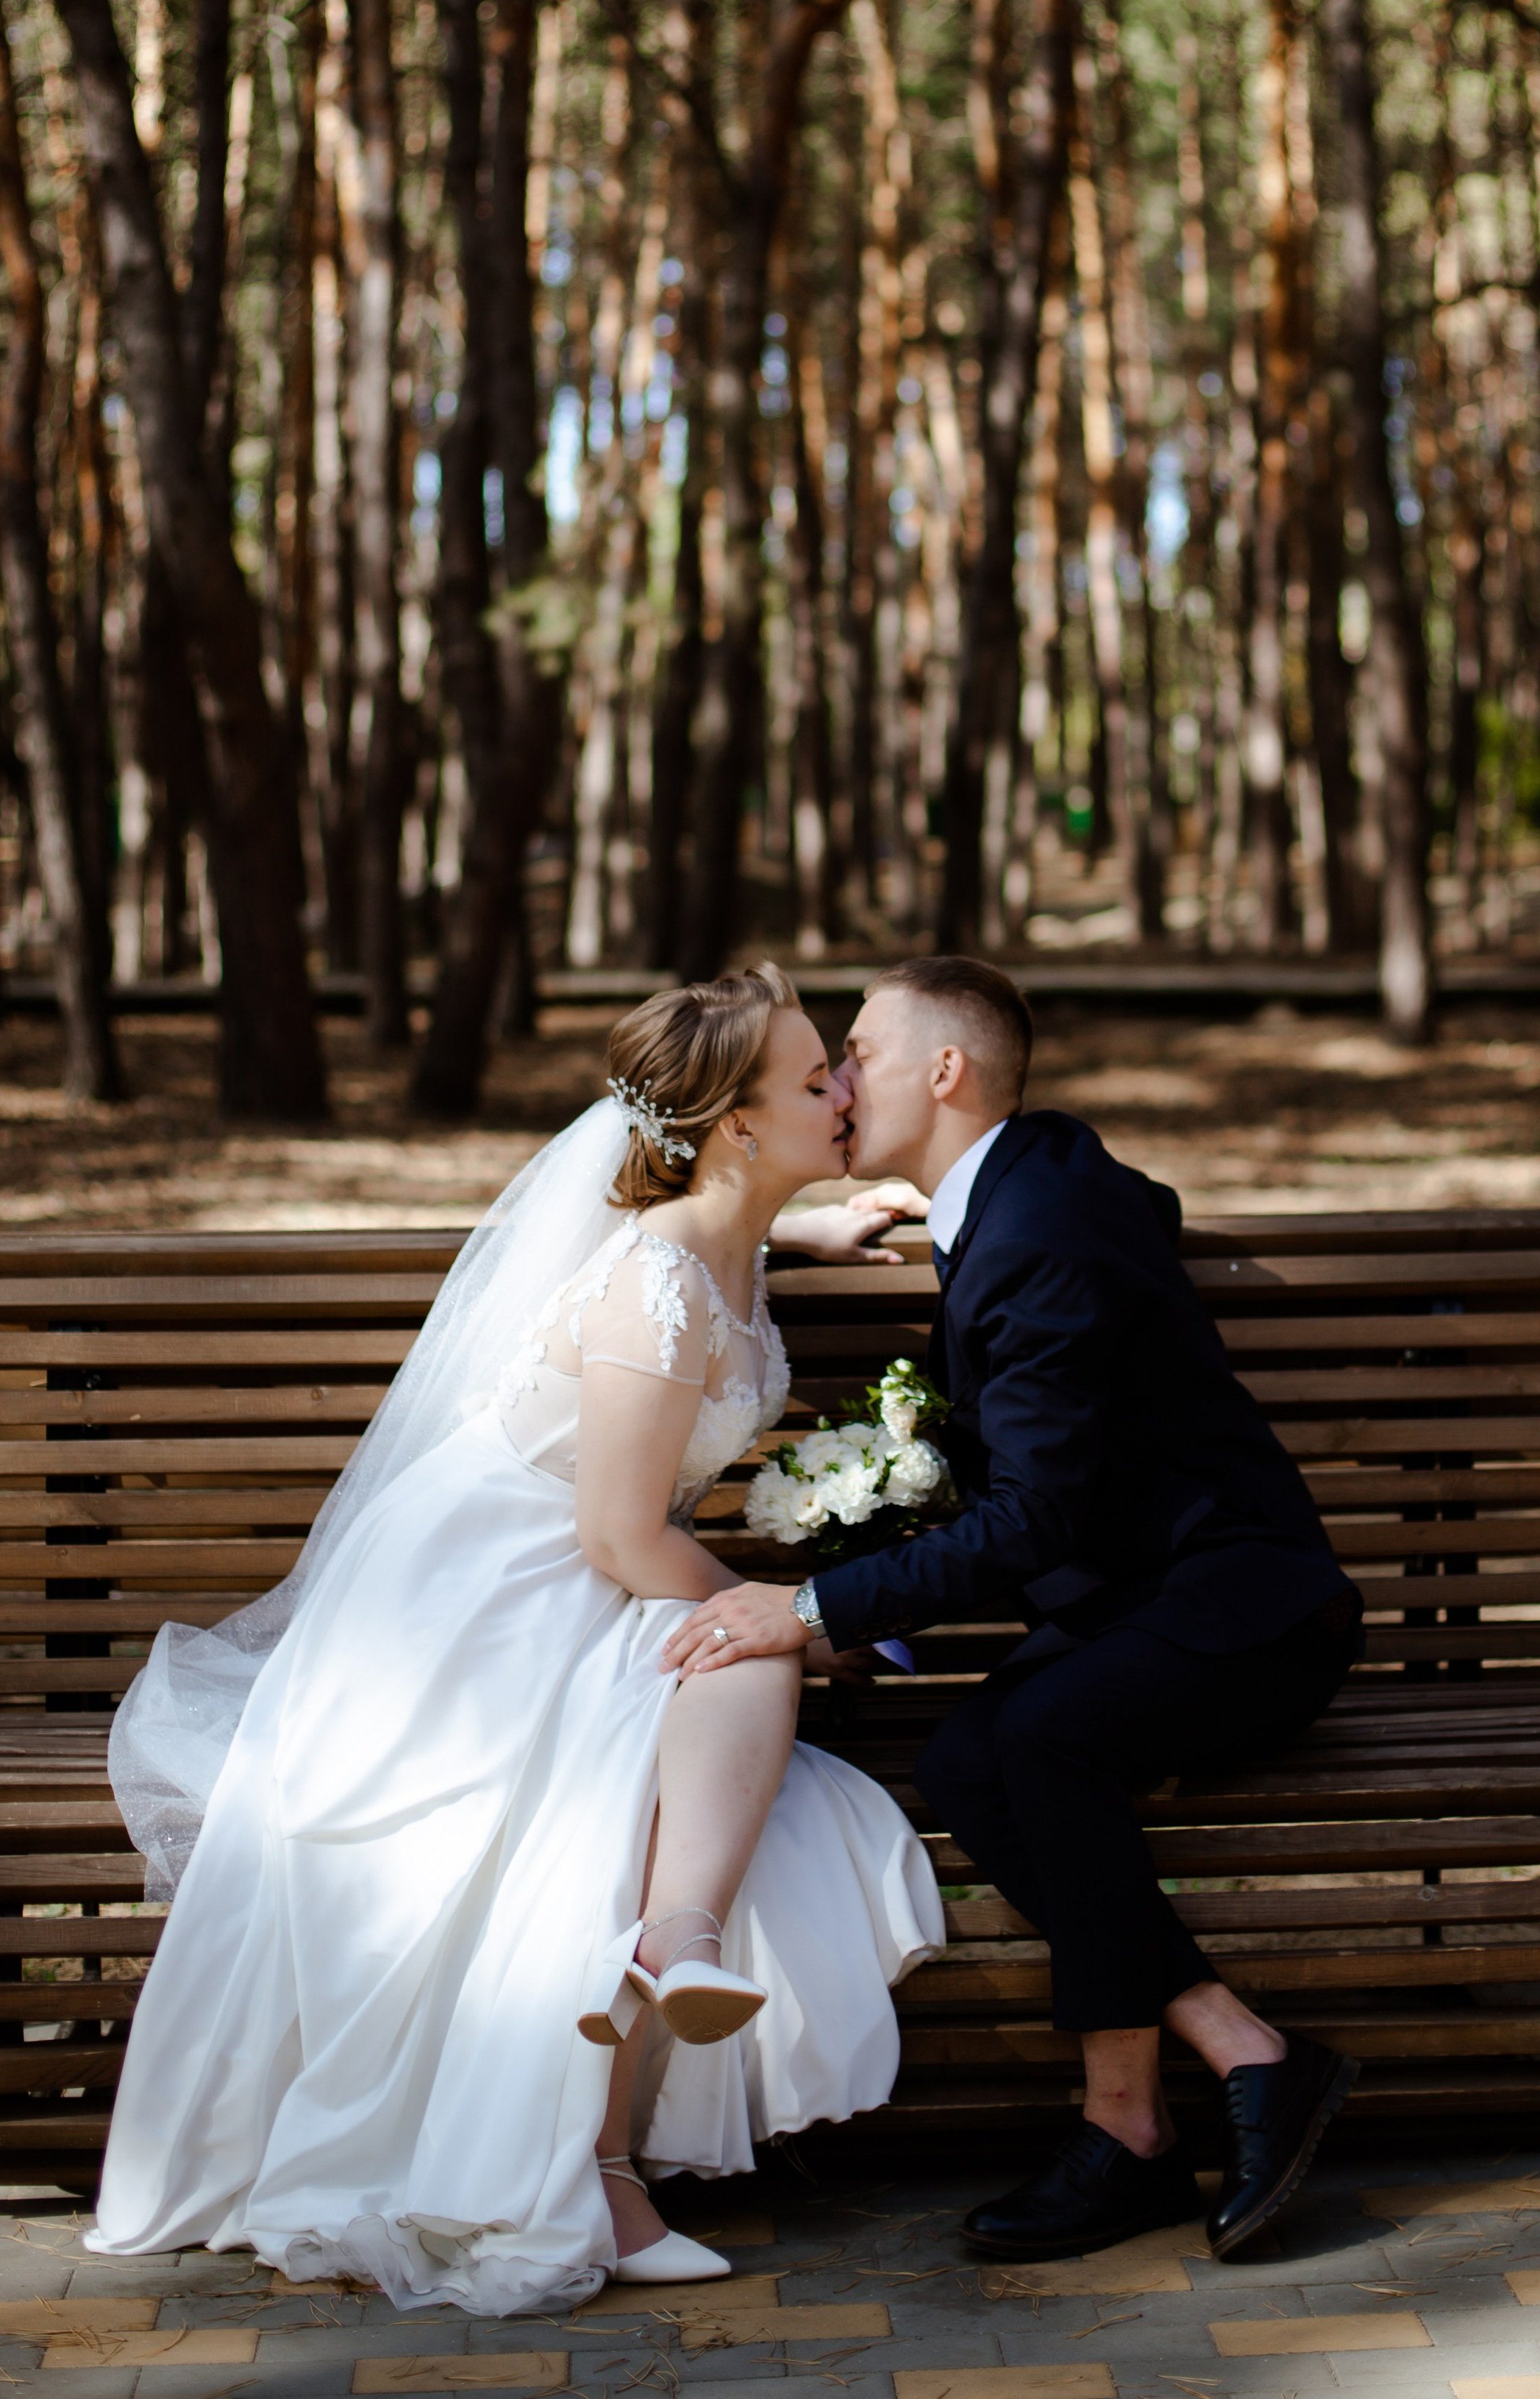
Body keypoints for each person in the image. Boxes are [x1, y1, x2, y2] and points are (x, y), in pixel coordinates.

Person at [88, 965, 943, 2315]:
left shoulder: (723, 1235)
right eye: (812, 1076)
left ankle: (658, 1994)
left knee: (722, 1681)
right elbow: (617, 1532)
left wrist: (816, 1231)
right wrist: (790, 1615)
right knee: (717, 1685)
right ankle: (614, 2111)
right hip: (488, 1591)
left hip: (586, 1570)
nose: (842, 1087)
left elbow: (719, 1289)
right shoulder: (659, 1278)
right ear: (733, 1127)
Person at [662, 954, 1364, 2264]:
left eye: (858, 1048)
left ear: (948, 1071)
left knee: (1042, 1742)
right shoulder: (1035, 1184)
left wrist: (807, 1605)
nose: (838, 1073)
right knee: (973, 1758)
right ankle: (1232, 2046)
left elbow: (1032, 1517)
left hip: (1248, 1611)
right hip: (1151, 1597)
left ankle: (1130, 2129)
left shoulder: (1037, 1223)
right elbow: (1134, 1213)